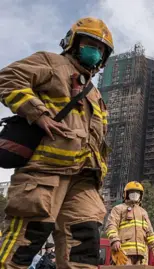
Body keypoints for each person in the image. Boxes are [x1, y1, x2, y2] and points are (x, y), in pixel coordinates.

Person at [0, 16, 112, 268]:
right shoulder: (52, 63)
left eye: (102, 49)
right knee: (25, 242)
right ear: (73, 42)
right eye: (91, 44)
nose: (96, 51)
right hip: (46, 172)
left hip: (85, 179)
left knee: (85, 246)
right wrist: (38, 113)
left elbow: (99, 140)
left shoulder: (95, 94)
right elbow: (8, 78)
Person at [105, 181, 154, 265]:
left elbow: (149, 232)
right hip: (124, 251)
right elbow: (111, 226)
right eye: (132, 192)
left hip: (141, 254)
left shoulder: (143, 212)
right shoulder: (118, 209)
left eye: (137, 193)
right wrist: (115, 240)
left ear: (141, 195)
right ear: (126, 194)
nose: (134, 194)